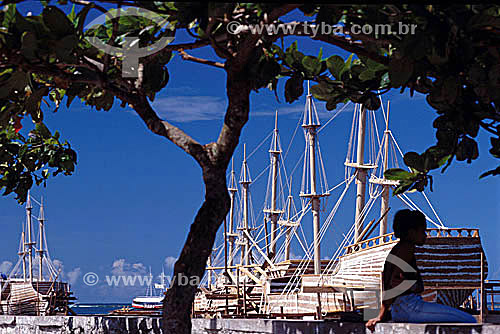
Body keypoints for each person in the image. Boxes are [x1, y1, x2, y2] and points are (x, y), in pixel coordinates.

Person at [366, 209, 476, 332]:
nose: (425, 235)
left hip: (400, 308)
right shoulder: (405, 250)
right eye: (422, 231)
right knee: (470, 320)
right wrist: (381, 314)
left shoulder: (398, 250)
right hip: (409, 306)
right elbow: (395, 283)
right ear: (411, 232)